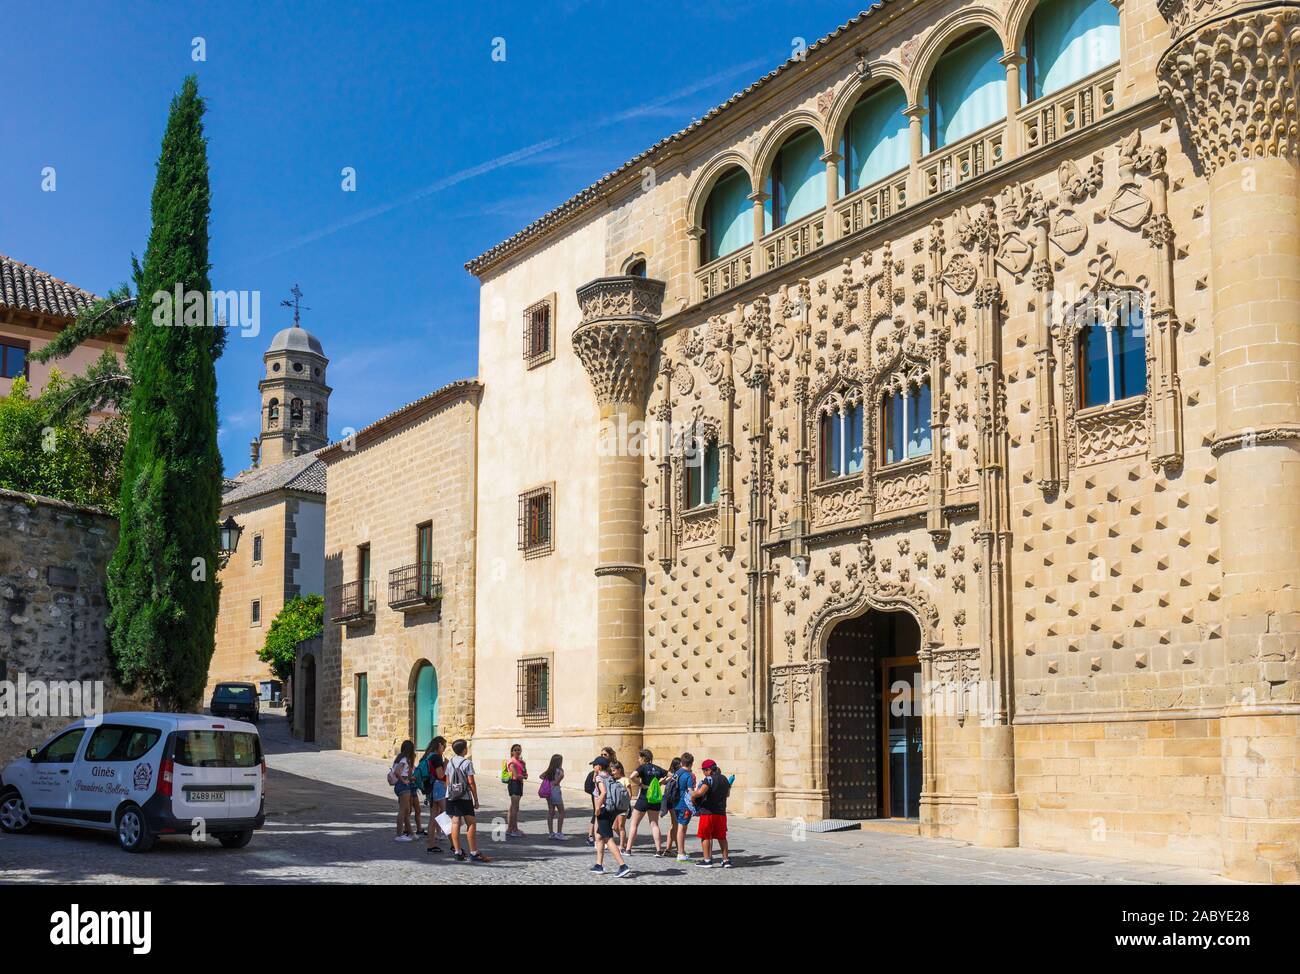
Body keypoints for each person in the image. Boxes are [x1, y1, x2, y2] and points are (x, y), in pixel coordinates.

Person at [445, 738, 491, 863]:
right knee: (471, 823)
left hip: (451, 796)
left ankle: (458, 851)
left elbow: (447, 781)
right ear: (464, 749)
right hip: (464, 797)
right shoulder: (467, 763)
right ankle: (473, 852)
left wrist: (451, 793)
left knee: (455, 823)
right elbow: (471, 782)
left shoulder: (450, 762)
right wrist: (476, 799)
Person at [589, 756, 631, 878]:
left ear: (599, 767)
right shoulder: (609, 776)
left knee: (607, 838)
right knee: (599, 836)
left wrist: (597, 808)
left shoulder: (599, 777)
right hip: (612, 809)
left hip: (603, 809)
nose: (593, 767)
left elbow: (604, 792)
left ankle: (623, 866)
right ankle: (599, 865)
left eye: (594, 765)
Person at [691, 758, 733, 868]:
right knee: (722, 837)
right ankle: (726, 860)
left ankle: (707, 860)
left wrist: (692, 794)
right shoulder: (724, 779)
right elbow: (727, 794)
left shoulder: (708, 779)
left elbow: (700, 792)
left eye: (704, 770)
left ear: (709, 770)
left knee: (705, 836)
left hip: (708, 812)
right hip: (721, 813)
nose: (704, 773)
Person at [624, 749, 667, 854]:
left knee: (634, 824)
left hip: (644, 798)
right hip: (655, 799)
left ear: (643, 758)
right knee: (654, 824)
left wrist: (639, 784)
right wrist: (660, 783)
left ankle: (628, 849)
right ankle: (658, 850)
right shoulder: (657, 768)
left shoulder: (642, 767)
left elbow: (632, 776)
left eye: (639, 758)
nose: (638, 760)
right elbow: (671, 775)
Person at [418, 736, 448, 853]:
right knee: (447, 814)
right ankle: (455, 845)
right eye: (444, 746)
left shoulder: (427, 756)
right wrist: (446, 764)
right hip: (438, 788)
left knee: (433, 818)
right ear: (439, 745)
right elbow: (440, 775)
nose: (444, 748)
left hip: (430, 790)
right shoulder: (436, 757)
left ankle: (431, 845)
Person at [584, 746, 617, 846]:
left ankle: (601, 839)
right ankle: (595, 837)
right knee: (597, 816)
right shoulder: (596, 774)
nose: (603, 756)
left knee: (602, 817)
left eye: (605, 755)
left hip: (607, 799)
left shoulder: (612, 769)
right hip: (599, 798)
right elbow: (589, 787)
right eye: (602, 754)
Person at [671, 752, 697, 863]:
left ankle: (681, 851)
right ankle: (680, 853)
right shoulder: (688, 775)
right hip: (684, 805)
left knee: (680, 826)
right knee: (682, 828)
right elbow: (690, 792)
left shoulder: (677, 773)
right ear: (691, 763)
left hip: (675, 804)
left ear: (681, 762)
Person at [390, 740, 417, 841]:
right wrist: (404, 781)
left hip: (400, 786)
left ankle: (410, 833)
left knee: (406, 810)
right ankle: (399, 834)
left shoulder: (399, 758)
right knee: (403, 811)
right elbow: (397, 772)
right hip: (403, 786)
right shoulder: (404, 760)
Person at [659, 756, 683, 858]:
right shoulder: (675, 775)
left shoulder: (671, 774)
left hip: (670, 801)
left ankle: (670, 848)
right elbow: (661, 782)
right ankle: (675, 849)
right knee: (675, 825)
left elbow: (661, 782)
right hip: (673, 801)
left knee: (674, 824)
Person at [540, 753, 566, 839]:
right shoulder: (560, 771)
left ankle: (551, 833)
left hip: (548, 792)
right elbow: (557, 781)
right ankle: (559, 832)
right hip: (555, 791)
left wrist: (548, 781)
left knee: (551, 811)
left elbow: (541, 776)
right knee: (561, 811)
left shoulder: (549, 770)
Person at [505, 743, 527, 838]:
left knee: (512, 807)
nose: (517, 751)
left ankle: (510, 829)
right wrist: (523, 776)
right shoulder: (512, 762)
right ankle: (515, 829)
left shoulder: (521, 762)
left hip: (519, 784)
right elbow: (517, 775)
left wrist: (524, 769)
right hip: (514, 784)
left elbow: (524, 773)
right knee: (515, 807)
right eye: (515, 750)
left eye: (519, 749)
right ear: (512, 752)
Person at [610, 761, 631, 848]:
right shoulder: (613, 780)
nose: (612, 773)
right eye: (611, 771)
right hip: (615, 807)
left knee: (621, 826)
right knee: (614, 827)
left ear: (619, 770)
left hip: (623, 807)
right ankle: (625, 841)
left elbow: (630, 794)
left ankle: (622, 846)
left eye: (614, 770)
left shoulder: (625, 780)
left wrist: (625, 805)